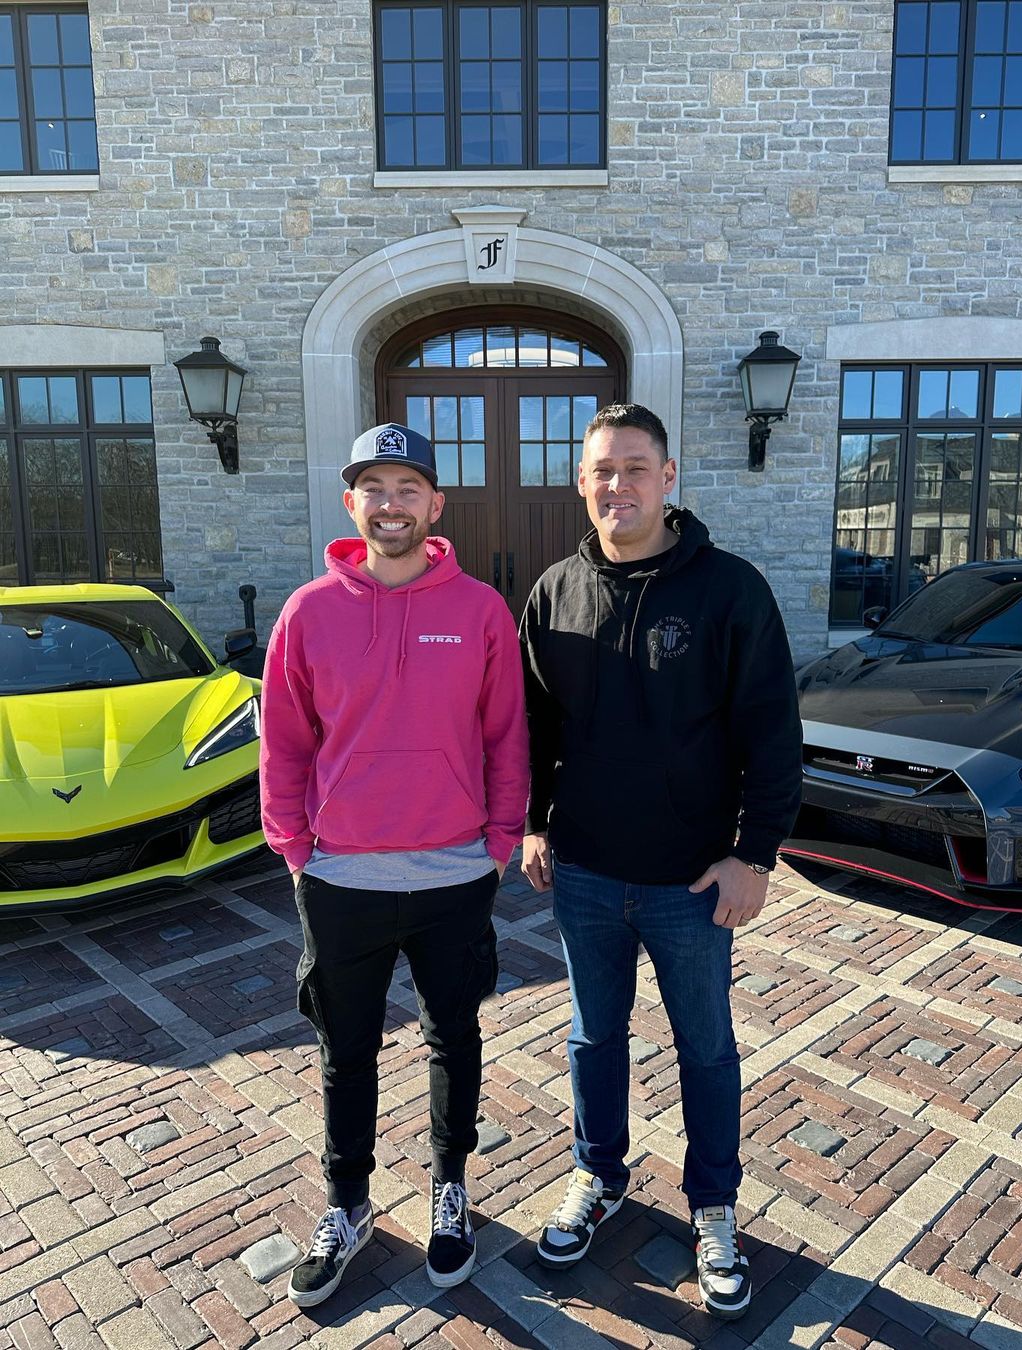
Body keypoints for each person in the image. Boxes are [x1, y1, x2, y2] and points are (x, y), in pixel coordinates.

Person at [518, 403, 802, 1320]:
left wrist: (754, 855)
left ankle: (714, 1204)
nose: (619, 486)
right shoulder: (554, 592)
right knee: (593, 1038)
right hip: (586, 874)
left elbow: (772, 732)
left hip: (692, 881)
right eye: (602, 470)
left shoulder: (729, 590)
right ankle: (597, 1176)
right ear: (580, 483)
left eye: (635, 468)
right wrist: (532, 824)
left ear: (669, 477)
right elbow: (534, 728)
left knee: (706, 1048)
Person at [260, 422, 529, 1306]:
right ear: (351, 504)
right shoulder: (308, 612)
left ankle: (450, 1190)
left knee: (455, 1038)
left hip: (455, 874)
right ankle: (348, 1203)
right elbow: (285, 743)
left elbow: (505, 735)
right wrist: (294, 849)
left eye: (407, 487)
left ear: (435, 505)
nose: (390, 504)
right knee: (346, 1052)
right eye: (373, 488)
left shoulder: (481, 611)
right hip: (343, 878)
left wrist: (499, 842)